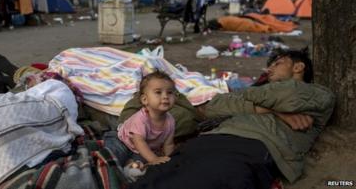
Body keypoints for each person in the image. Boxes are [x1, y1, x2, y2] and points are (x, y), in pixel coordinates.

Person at [130, 48, 335, 189]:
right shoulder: (262, 92)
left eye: (278, 63)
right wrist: (275, 111)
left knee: (211, 179)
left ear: (298, 67)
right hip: (212, 138)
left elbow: (289, 96)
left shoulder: (318, 93)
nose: (269, 69)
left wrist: (248, 98)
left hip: (256, 146)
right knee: (159, 174)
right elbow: (215, 106)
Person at [103, 71, 176, 179]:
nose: (165, 96)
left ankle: (130, 169)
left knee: (142, 164)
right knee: (115, 155)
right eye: (158, 92)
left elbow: (168, 144)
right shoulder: (141, 119)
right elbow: (138, 141)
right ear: (145, 99)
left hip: (143, 149)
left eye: (169, 92)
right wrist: (154, 159)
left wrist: (170, 160)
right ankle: (107, 167)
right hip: (122, 140)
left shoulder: (170, 121)